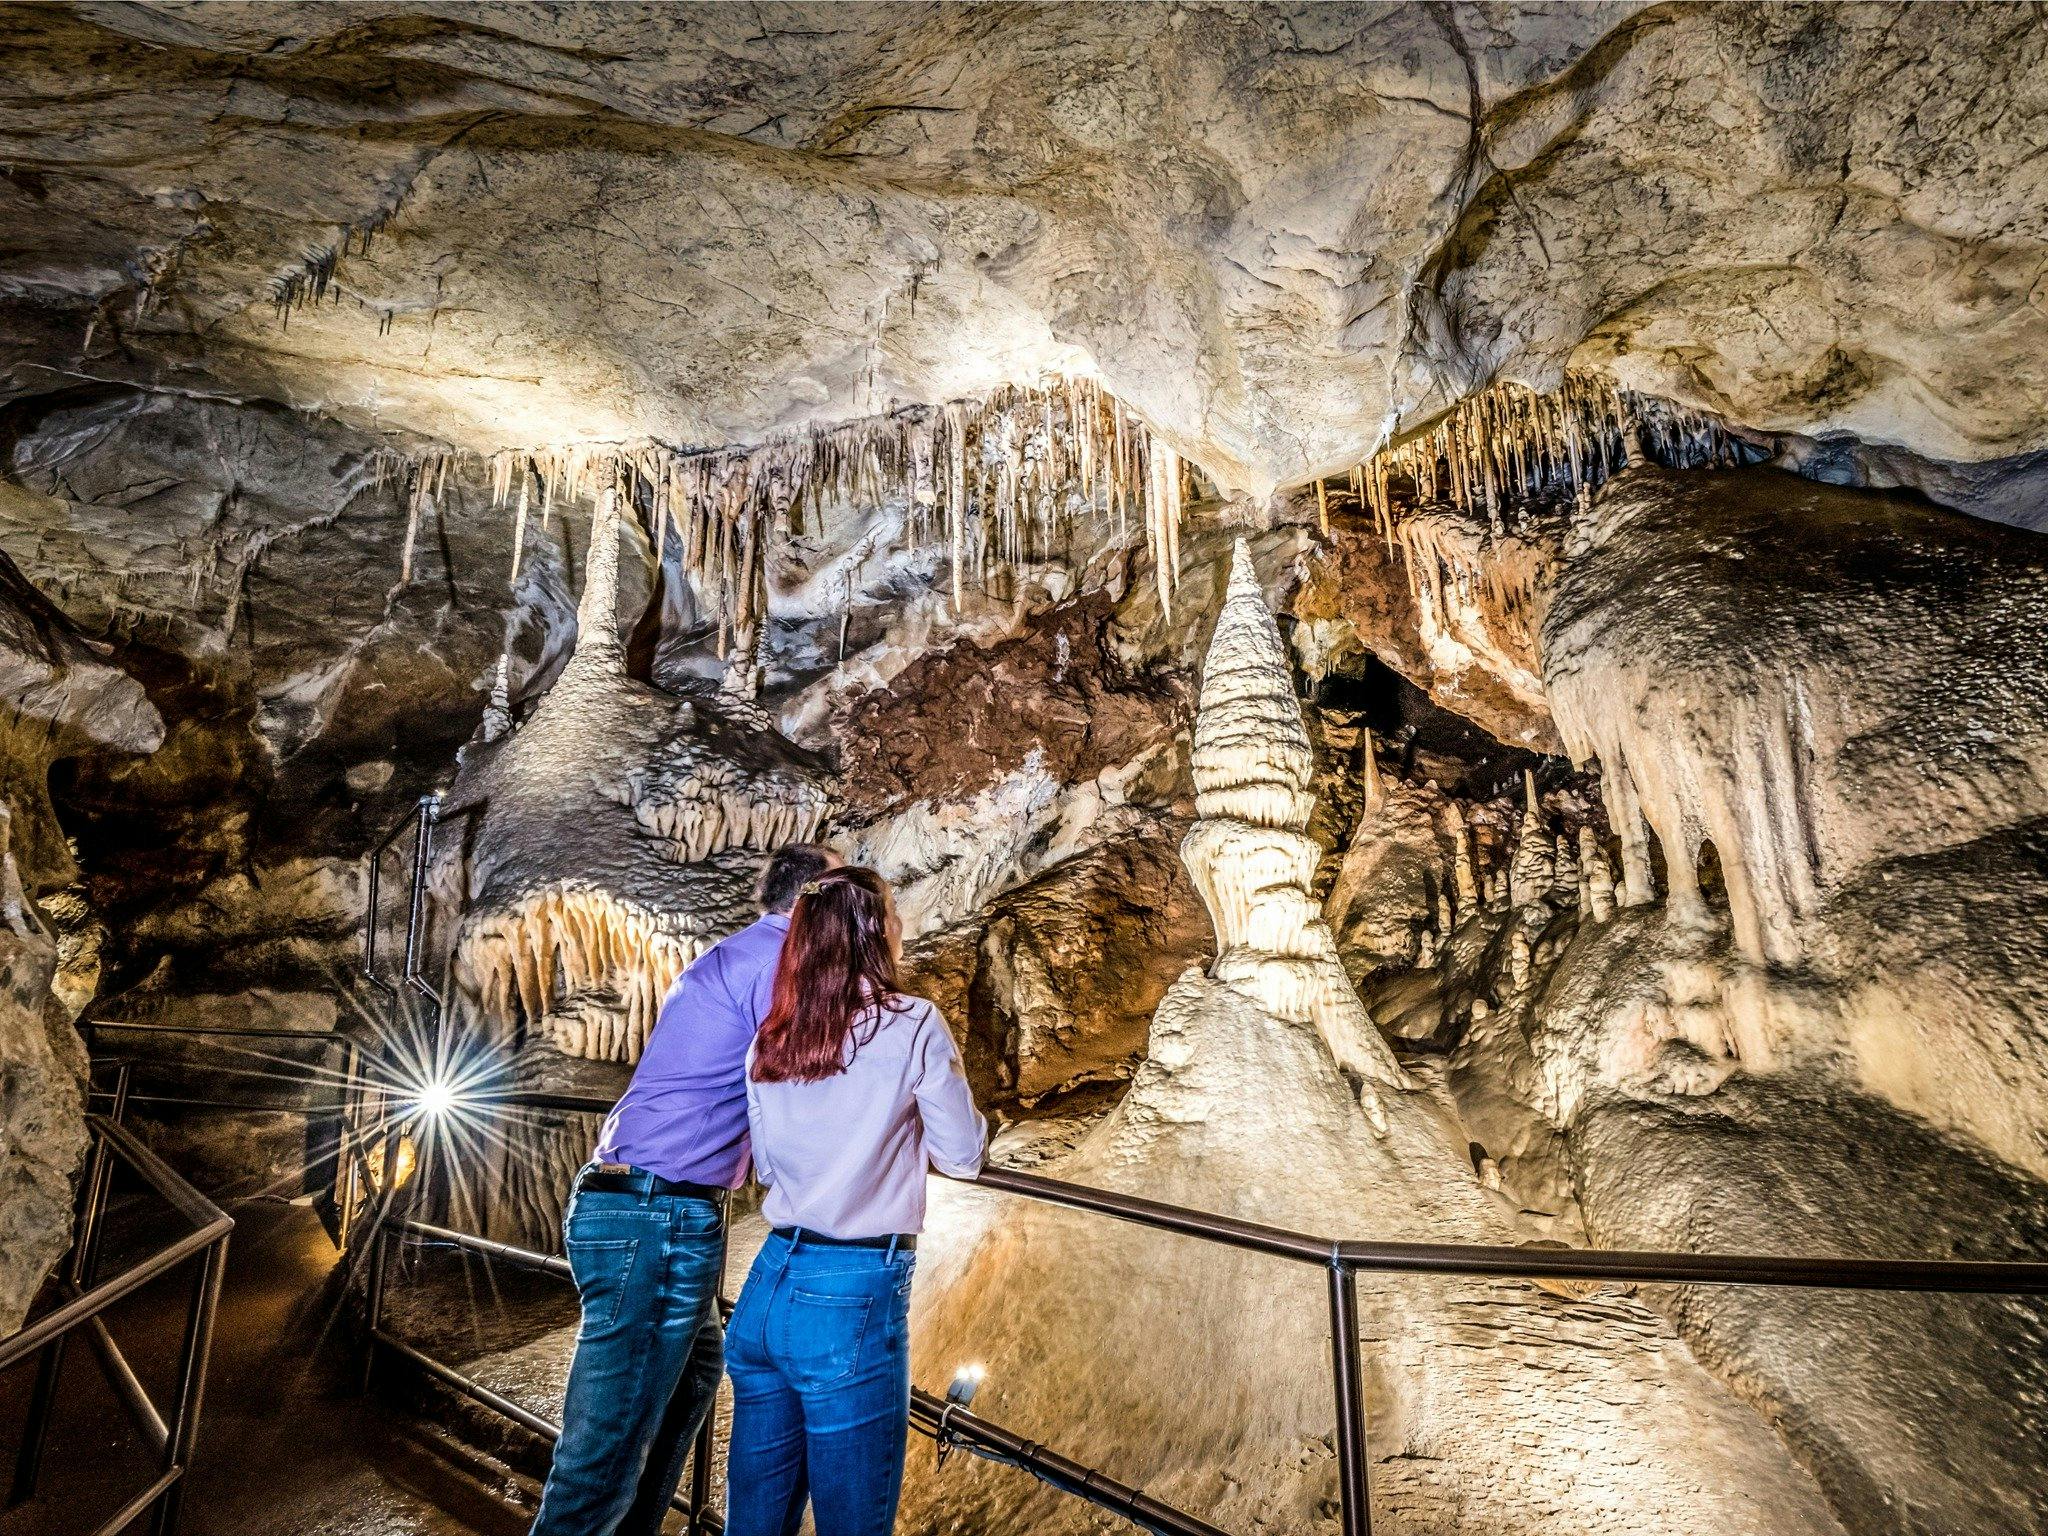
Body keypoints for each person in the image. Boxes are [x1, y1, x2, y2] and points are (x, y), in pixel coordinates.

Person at [530, 843, 840, 1536]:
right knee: (604, 1451)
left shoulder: (738, 954)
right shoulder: (783, 963)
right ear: (815, 901)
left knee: (692, 1379)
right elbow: (806, 1078)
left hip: (636, 1201)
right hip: (658, 1215)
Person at [724, 866, 986, 1536]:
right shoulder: (912, 1024)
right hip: (848, 1297)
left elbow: (771, 1165)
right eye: (893, 914)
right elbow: (962, 1155)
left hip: (767, 1286)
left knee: (755, 1522)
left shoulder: (771, 1037)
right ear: (874, 933)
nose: (900, 926)